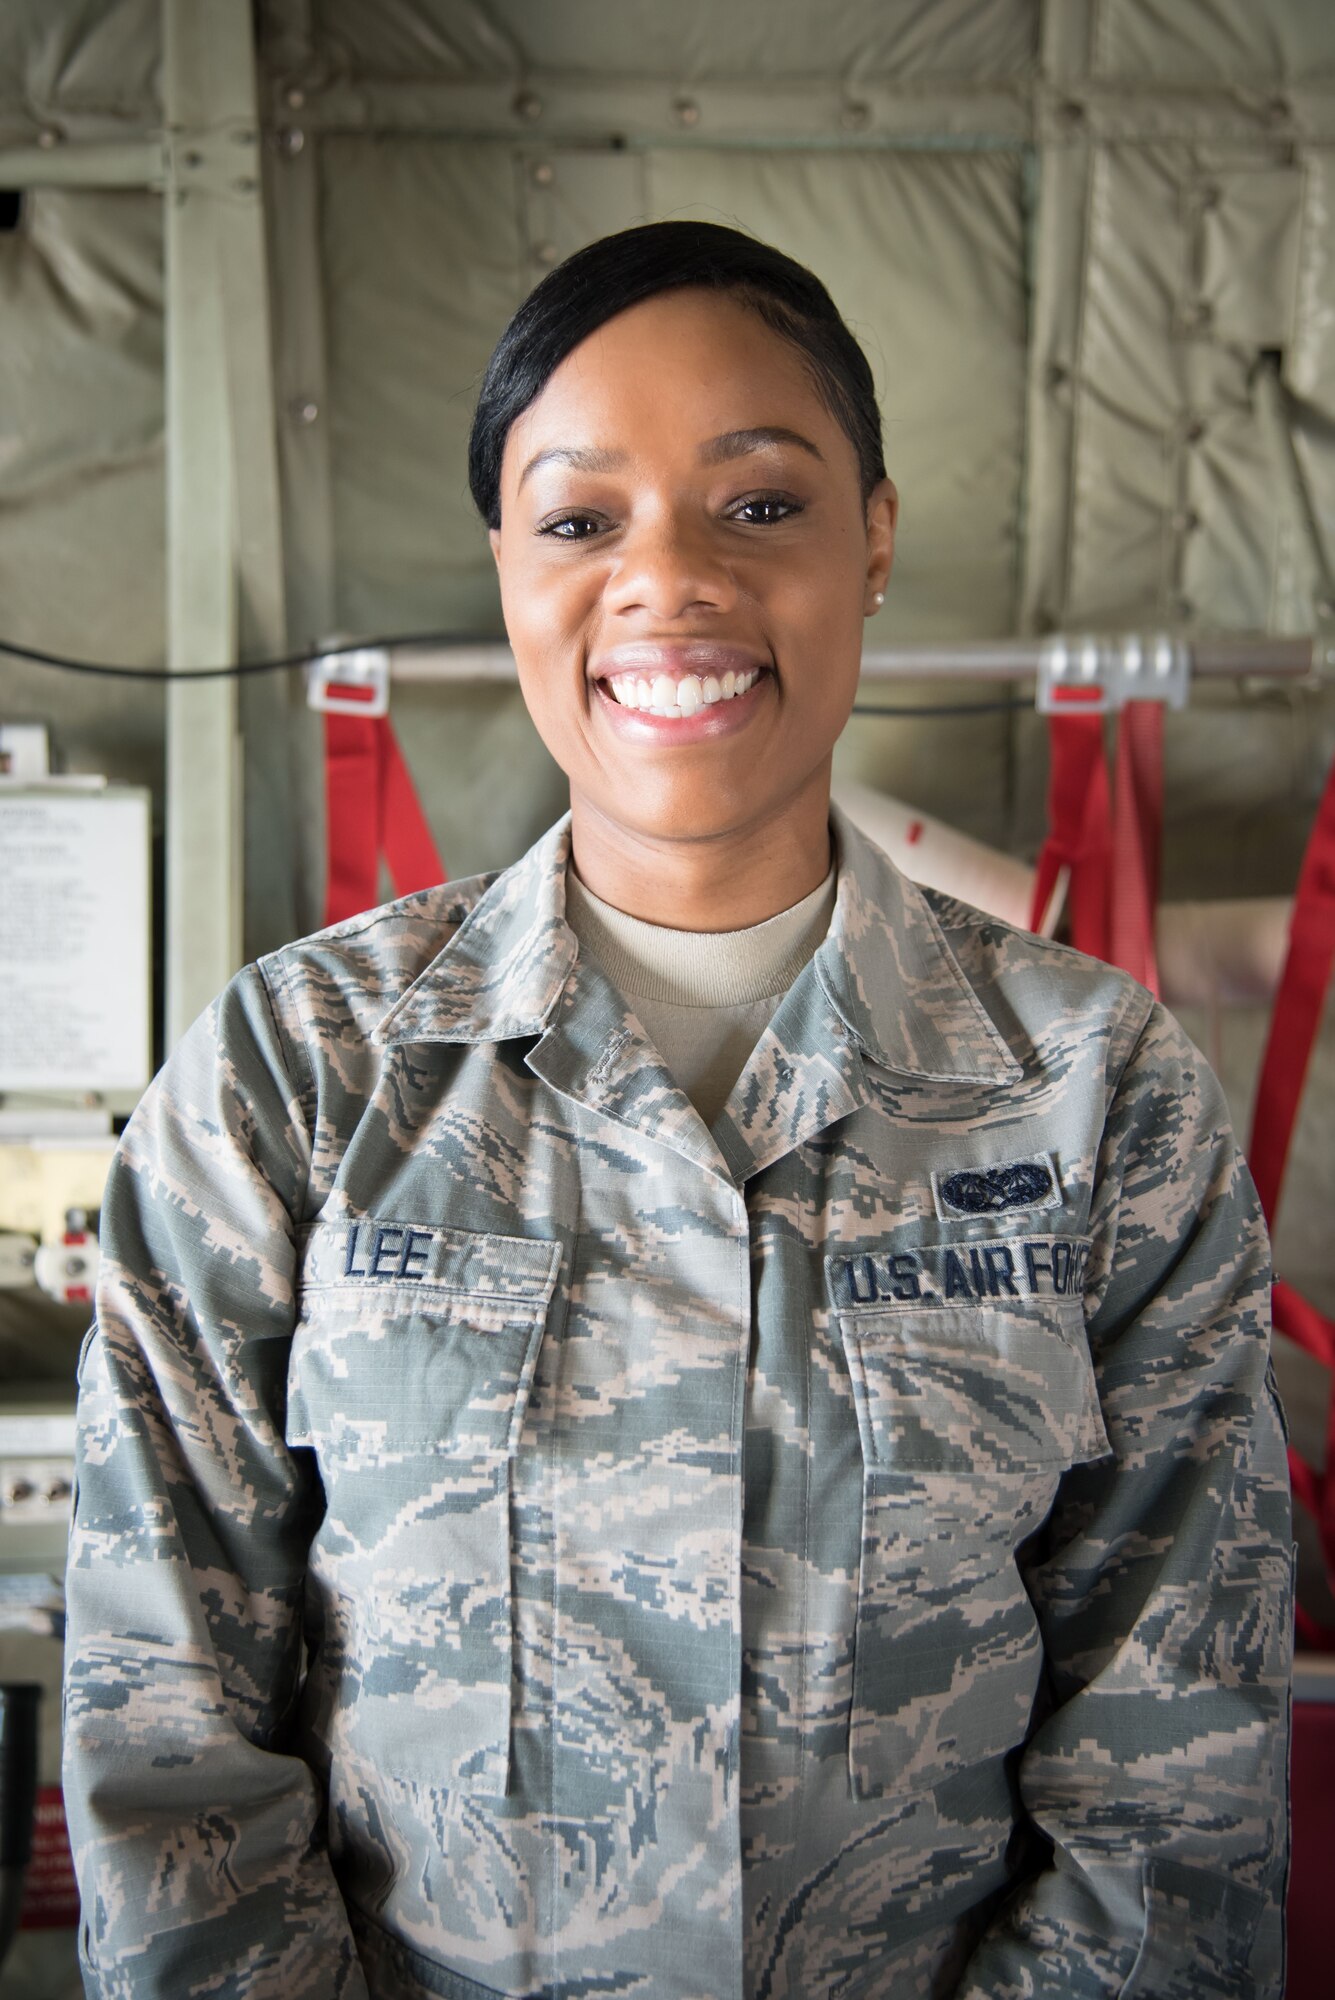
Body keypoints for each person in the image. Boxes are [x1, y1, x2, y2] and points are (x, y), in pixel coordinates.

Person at [63, 221, 1292, 2000]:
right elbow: (166, 1735)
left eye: (761, 506)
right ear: (505, 564)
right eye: (579, 520)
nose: (668, 582)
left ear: (874, 539)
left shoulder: (1095, 1099)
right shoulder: (298, 1076)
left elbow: (1171, 1777)